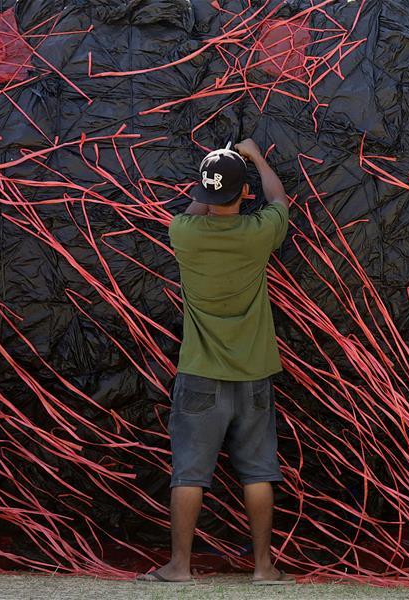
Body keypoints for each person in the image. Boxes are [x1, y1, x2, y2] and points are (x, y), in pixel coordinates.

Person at [137, 139, 294, 585]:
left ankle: (179, 567)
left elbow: (195, 208)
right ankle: (264, 568)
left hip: (200, 376)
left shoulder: (182, 232)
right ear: (244, 194)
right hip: (254, 374)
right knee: (259, 471)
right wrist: (254, 158)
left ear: (203, 195)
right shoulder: (259, 231)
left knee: (189, 473)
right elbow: (279, 198)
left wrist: (216, 172)